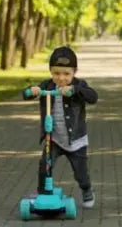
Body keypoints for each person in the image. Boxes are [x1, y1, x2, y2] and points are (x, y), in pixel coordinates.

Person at [23, 46, 98, 208]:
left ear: (74, 72)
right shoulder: (47, 85)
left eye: (66, 74)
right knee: (44, 165)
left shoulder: (79, 85)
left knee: (81, 173)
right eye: (56, 73)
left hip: (75, 140)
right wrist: (32, 91)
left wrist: (75, 90)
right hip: (54, 139)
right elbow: (26, 94)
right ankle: (43, 192)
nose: (61, 78)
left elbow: (93, 97)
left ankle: (87, 189)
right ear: (50, 71)